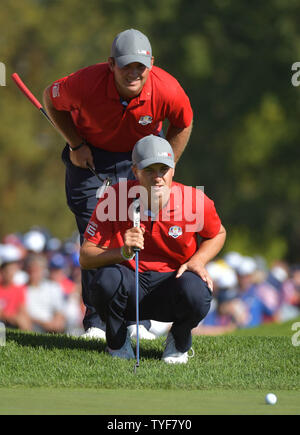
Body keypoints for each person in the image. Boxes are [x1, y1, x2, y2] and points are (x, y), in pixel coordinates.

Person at [43, 28, 193, 339]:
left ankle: (138, 318)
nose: (133, 73)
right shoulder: (85, 83)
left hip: (140, 158)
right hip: (89, 157)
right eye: (126, 66)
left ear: (150, 63)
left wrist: (167, 165)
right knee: (94, 233)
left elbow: (183, 122)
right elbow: (51, 99)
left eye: (140, 66)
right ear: (111, 64)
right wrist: (75, 144)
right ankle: (96, 323)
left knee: (139, 231)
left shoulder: (167, 89)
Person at [79, 135, 226, 363]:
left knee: (198, 292)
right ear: (135, 171)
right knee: (104, 281)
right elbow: (86, 256)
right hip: (130, 283)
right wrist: (121, 252)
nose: (158, 178)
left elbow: (217, 233)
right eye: (150, 170)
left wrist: (199, 260)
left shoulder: (195, 200)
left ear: (173, 169)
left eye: (163, 169)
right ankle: (117, 342)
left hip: (172, 283)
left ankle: (178, 341)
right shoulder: (114, 198)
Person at [24, 253, 67, 333]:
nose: (34, 274)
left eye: (37, 270)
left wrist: (56, 323)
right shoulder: (23, 290)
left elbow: (60, 312)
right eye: (31, 270)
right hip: (34, 326)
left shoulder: (53, 287)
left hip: (52, 327)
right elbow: (25, 315)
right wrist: (45, 324)